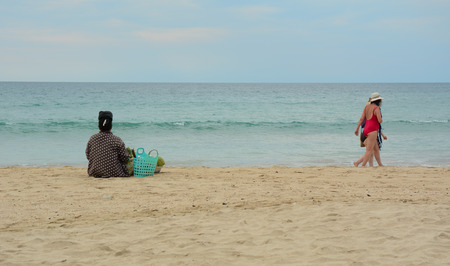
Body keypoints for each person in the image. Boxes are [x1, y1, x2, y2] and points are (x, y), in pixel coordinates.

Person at [86, 111, 130, 177]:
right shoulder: (116, 140)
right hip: (115, 172)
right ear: (111, 126)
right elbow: (125, 158)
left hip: (94, 172)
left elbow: (88, 155)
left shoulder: (92, 138)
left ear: (99, 126)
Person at [354, 93, 385, 167]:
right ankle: (363, 165)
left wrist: (357, 129)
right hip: (372, 130)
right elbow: (380, 120)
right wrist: (380, 118)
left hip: (366, 129)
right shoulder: (376, 108)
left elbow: (361, 119)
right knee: (369, 150)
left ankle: (380, 164)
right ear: (378, 100)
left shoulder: (367, 107)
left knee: (376, 148)